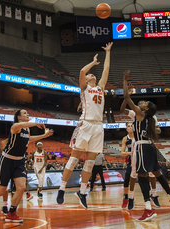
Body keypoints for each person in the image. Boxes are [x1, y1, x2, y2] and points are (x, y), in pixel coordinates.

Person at [56, 42, 113, 209]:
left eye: (92, 75)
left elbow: (107, 70)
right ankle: (61, 188)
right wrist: (93, 63)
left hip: (98, 127)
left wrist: (108, 53)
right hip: (86, 124)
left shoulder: (101, 88)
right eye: (90, 75)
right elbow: (82, 71)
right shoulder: (84, 88)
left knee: (89, 163)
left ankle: (82, 192)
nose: (92, 75)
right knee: (74, 159)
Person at [0, 109, 54, 222]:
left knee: (21, 187)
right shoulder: (15, 126)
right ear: (19, 117)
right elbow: (20, 125)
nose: (27, 114)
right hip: (7, 160)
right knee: (0, 191)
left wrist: (43, 136)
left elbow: (28, 139)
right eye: (25, 113)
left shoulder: (27, 129)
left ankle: (11, 213)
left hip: (19, 161)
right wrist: (36, 122)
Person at [123, 70, 170, 221]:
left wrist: (124, 80)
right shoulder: (149, 117)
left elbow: (127, 98)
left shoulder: (140, 114)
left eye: (144, 103)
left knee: (142, 176)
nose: (142, 103)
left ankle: (148, 208)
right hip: (150, 147)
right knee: (157, 173)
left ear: (146, 109)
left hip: (141, 147)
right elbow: (124, 106)